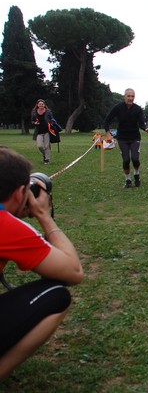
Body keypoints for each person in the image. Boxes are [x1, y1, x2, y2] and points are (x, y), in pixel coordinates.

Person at [0, 147, 84, 380]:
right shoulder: (6, 227)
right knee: (56, 295)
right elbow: (73, 272)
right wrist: (44, 217)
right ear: (19, 194)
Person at [102, 88, 148, 188]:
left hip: (135, 137)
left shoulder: (137, 109)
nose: (130, 98)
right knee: (126, 160)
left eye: (132, 96)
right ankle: (128, 179)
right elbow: (107, 121)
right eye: (129, 96)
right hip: (122, 137)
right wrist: (108, 133)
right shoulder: (118, 108)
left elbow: (141, 124)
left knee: (135, 159)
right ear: (124, 97)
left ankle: (136, 174)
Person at [31, 99, 54, 164]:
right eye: (39, 104)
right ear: (37, 105)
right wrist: (35, 123)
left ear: (44, 105)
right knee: (40, 146)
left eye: (42, 104)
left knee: (47, 146)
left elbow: (52, 119)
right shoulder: (34, 112)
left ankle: (47, 159)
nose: (41, 105)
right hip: (39, 132)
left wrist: (51, 123)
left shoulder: (48, 111)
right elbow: (32, 121)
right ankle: (44, 155)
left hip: (47, 131)